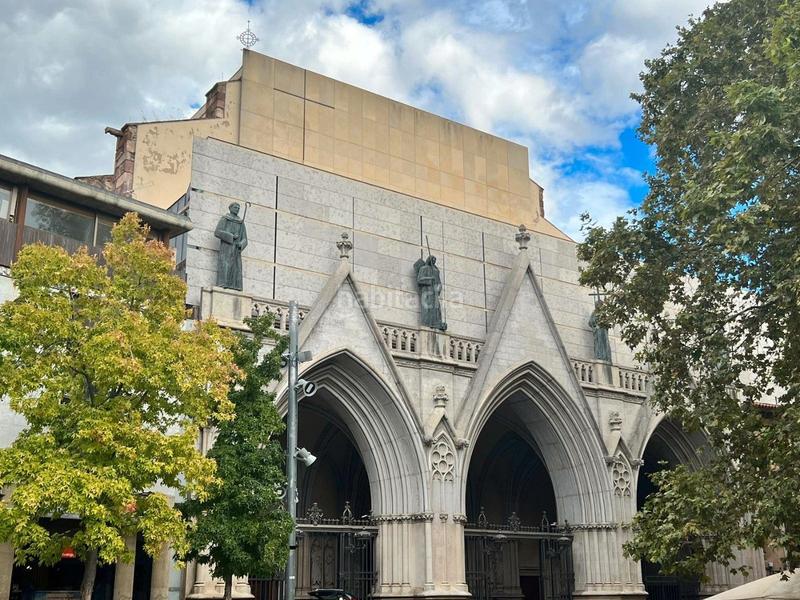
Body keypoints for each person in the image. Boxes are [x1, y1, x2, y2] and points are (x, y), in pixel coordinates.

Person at [214, 202, 248, 290]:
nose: (237, 209)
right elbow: (217, 232)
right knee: (225, 265)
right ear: (230, 208)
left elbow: (245, 239)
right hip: (226, 248)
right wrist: (231, 236)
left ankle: (235, 286)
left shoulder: (241, 223)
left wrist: (241, 244)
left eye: (238, 208)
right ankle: (223, 283)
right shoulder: (225, 219)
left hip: (236, 249)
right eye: (235, 207)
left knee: (236, 268)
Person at [414, 255, 447, 330]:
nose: (433, 262)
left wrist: (438, 288)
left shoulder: (436, 270)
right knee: (427, 308)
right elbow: (419, 280)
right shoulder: (423, 268)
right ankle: (427, 323)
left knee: (436, 308)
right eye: (432, 260)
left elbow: (439, 282)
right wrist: (430, 279)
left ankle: (436, 323)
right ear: (429, 260)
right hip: (426, 292)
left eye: (434, 261)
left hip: (434, 292)